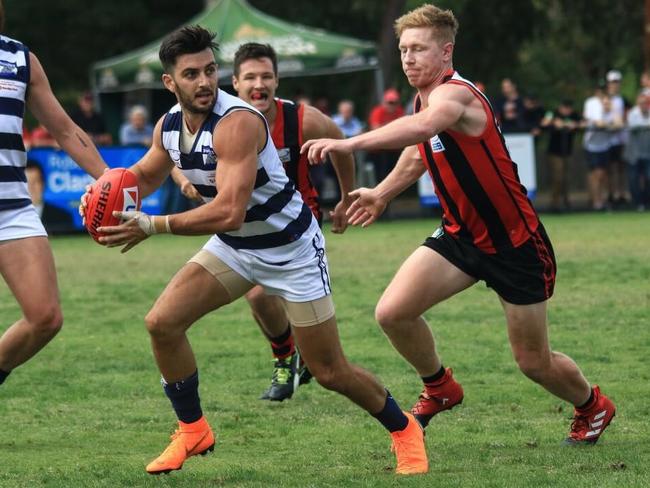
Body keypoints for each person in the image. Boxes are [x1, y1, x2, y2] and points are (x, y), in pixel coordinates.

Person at [89, 26, 427, 476]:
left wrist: (155, 225)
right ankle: (193, 430)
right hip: (237, 248)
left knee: (329, 371)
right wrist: (105, 194)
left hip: (291, 251)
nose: (205, 81)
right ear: (170, 83)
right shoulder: (169, 126)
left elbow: (228, 211)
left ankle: (404, 429)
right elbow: (145, 177)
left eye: (210, 70)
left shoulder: (238, 122)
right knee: (162, 324)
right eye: (191, 74)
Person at [303, 3, 616, 446]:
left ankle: (592, 406)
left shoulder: (455, 95)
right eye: (403, 49)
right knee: (393, 313)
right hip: (461, 236)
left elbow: (424, 126)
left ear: (446, 52)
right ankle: (440, 387)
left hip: (515, 244)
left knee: (532, 361)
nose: (408, 58)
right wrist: (383, 193)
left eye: (418, 49)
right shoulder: (422, 96)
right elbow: (418, 151)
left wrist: (348, 141)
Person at [217, 42, 355, 401]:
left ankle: (296, 359)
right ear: (235, 83)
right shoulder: (221, 121)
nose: (258, 83)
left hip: (297, 223)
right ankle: (288, 358)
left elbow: (341, 145)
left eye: (266, 76)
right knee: (257, 299)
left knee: (260, 292)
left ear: (277, 81)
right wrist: (186, 181)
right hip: (248, 225)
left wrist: (346, 196)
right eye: (250, 77)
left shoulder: (303, 120)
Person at [0, 0, 107, 390]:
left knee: (45, 317)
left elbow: (64, 130)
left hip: (12, 207)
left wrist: (109, 178)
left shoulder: (18, 57)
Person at [540, 99, 581, 212]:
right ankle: (555, 202)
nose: (566, 110)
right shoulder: (552, 113)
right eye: (564, 107)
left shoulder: (574, 115)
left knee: (567, 177)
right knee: (557, 177)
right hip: (555, 152)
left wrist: (573, 125)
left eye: (568, 108)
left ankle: (566, 200)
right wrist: (554, 123)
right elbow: (544, 123)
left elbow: (582, 123)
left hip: (568, 151)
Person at [25, 160, 75, 232]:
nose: (31, 188)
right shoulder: (13, 217)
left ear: (43, 184)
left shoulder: (63, 216)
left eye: (35, 182)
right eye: (27, 183)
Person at [367, 88, 405, 184]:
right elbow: (376, 129)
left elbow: (404, 128)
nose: (392, 105)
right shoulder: (378, 111)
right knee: (381, 174)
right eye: (390, 102)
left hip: (394, 148)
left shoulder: (399, 111)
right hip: (379, 150)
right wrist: (394, 126)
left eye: (394, 103)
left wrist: (387, 126)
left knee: (396, 173)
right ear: (384, 102)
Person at [624, 89, 650, 210]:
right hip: (633, 153)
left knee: (648, 178)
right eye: (641, 103)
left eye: (646, 103)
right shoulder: (632, 113)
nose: (643, 105)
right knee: (633, 178)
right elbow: (634, 125)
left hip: (647, 152)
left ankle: (646, 202)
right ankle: (637, 203)